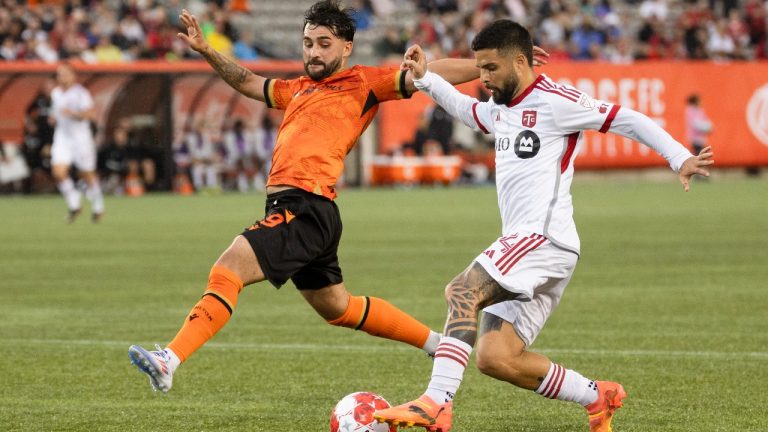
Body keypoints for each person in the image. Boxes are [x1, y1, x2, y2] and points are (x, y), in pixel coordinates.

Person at [127, 1, 549, 394]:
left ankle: (170, 358)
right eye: (308, 43)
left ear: (346, 47)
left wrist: (484, 65)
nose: (313, 52)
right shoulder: (296, 89)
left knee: (229, 267)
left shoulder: (363, 82)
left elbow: (425, 72)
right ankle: (439, 344)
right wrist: (205, 50)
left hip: (305, 206)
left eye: (324, 44)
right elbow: (249, 81)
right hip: (306, 210)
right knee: (338, 308)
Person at [373, 20, 714, 432]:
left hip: (542, 237)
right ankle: (597, 395)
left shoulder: (556, 100)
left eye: (491, 68)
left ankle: (436, 403)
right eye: (480, 69)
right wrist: (426, 78)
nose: (483, 79)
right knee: (495, 357)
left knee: (462, 290)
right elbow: (468, 111)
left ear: (520, 60)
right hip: (536, 247)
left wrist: (679, 158)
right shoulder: (502, 107)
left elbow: (627, 118)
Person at [50, 63, 104, 223]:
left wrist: (73, 114)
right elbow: (57, 113)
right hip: (62, 137)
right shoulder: (55, 93)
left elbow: (92, 115)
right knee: (58, 173)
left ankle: (98, 205)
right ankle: (74, 204)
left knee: (87, 174)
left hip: (81, 139)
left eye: (65, 73)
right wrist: (54, 118)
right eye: (59, 74)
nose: (62, 77)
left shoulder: (81, 93)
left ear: (73, 76)